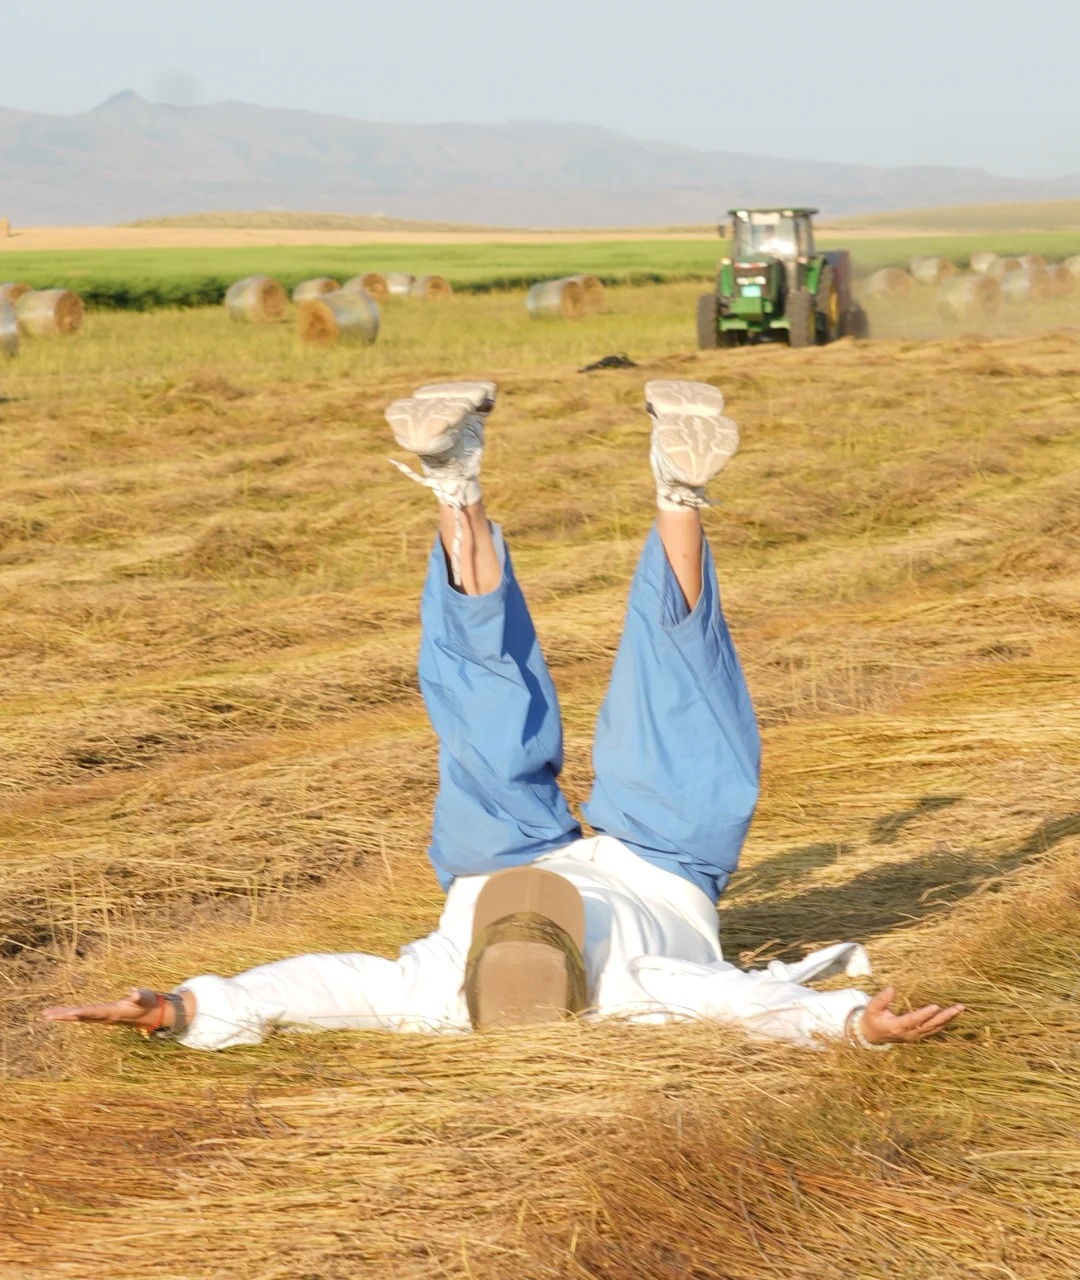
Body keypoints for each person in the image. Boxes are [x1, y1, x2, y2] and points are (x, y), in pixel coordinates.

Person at [44, 380, 963, 1052]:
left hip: (498, 861)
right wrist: (851, 1023)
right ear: (574, 978)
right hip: (660, 864)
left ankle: (457, 483)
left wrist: (181, 1008)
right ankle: (674, 495)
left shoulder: (437, 995)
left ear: (480, 968)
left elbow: (319, 986)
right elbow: (747, 1004)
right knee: (681, 693)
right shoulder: (639, 991)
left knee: (488, 699)